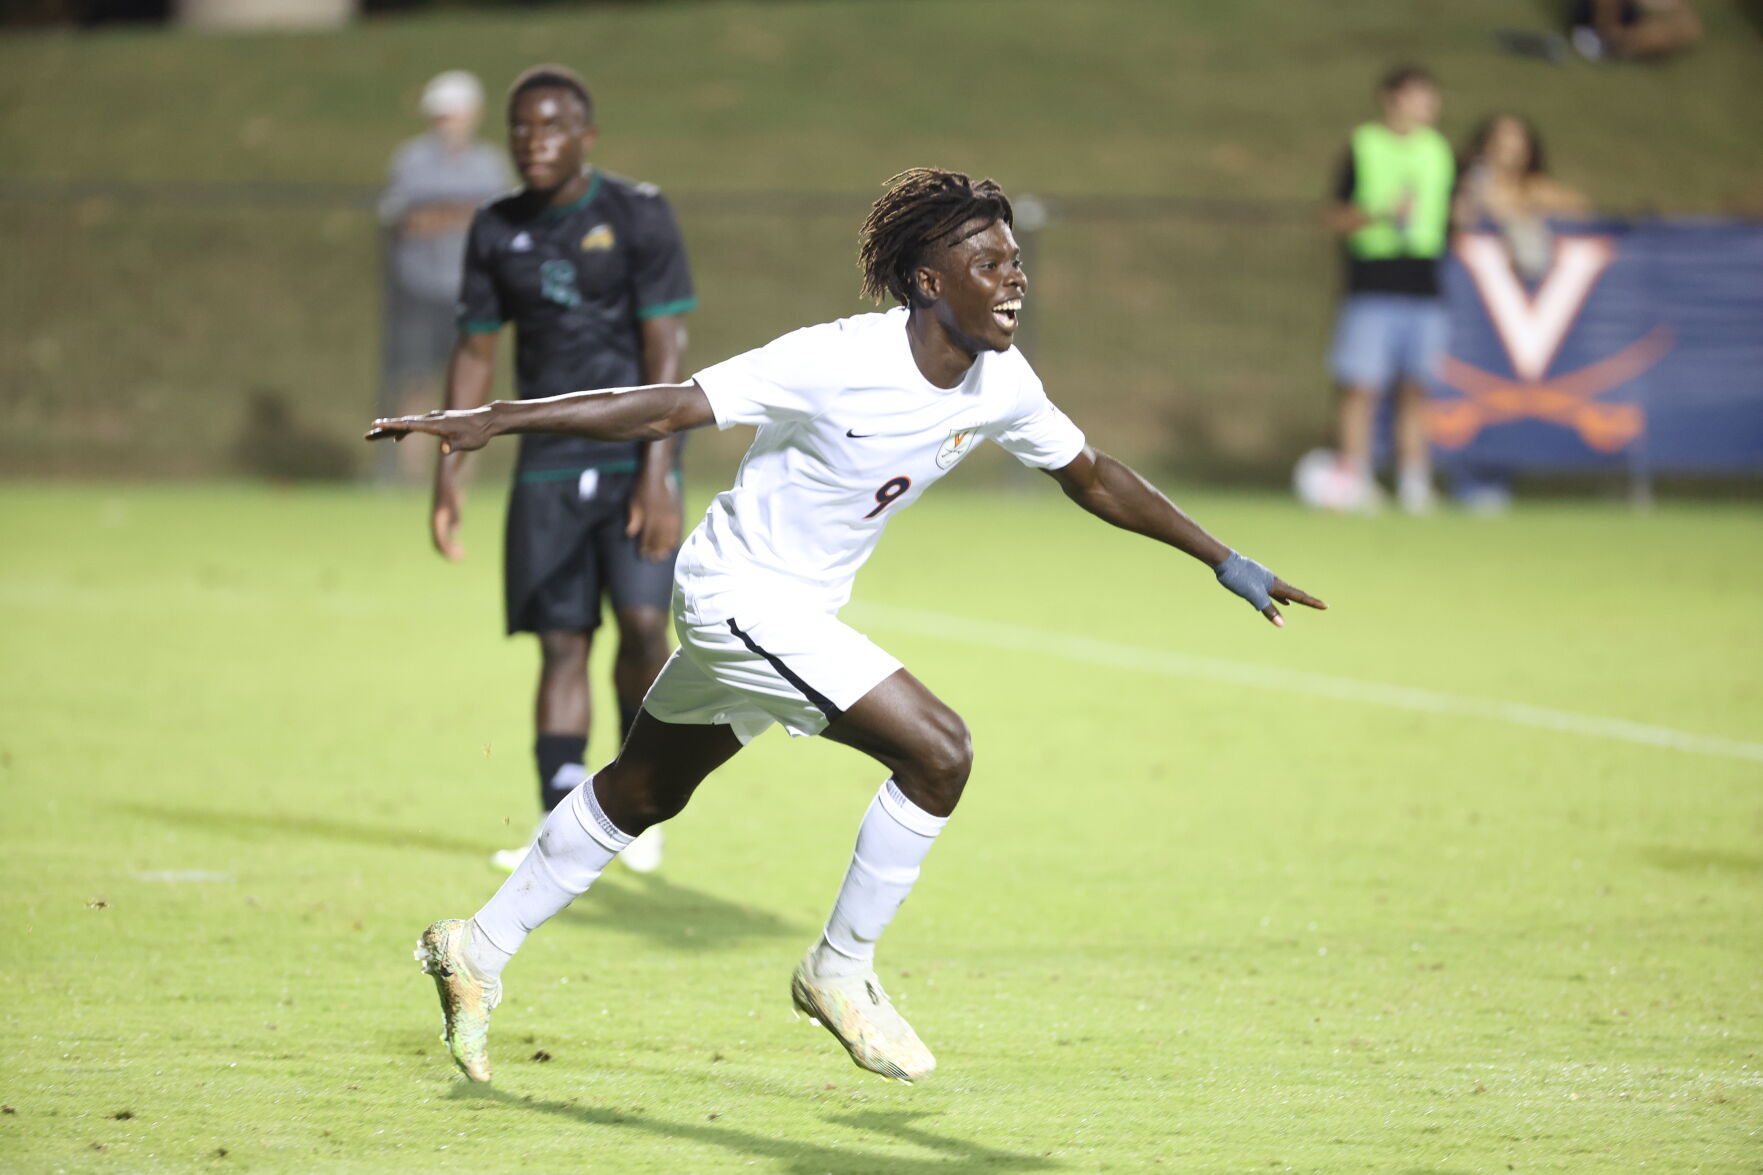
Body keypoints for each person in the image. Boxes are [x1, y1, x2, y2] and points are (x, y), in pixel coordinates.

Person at [369, 168, 1327, 1085]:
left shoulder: (1001, 379)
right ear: (928, 280)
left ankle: (475, 946)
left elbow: (1092, 474)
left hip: (787, 610)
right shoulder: (834, 358)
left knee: (644, 789)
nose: (1014, 278)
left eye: (1016, 261)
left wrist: (1223, 558)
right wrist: (495, 418)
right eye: (990, 263)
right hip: (737, 594)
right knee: (940, 751)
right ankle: (838, 967)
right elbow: (668, 406)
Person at [433, 64, 695, 876]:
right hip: (546, 463)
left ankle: (636, 802)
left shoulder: (638, 214)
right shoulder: (494, 226)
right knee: (560, 642)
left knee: (646, 626)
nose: (532, 143)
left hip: (632, 455)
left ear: (585, 135)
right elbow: (476, 352)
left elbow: (669, 353)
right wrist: (450, 477)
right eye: (520, 129)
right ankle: (558, 824)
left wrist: (659, 474)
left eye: (549, 128)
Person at [1320, 65, 1455, 515]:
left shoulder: (1439, 151)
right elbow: (1335, 217)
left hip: (1426, 285)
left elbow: (1450, 215)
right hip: (1372, 283)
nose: (1428, 106)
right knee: (1361, 386)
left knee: (1418, 387)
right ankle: (1355, 477)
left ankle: (1415, 481)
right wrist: (1380, 214)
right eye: (1418, 96)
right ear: (1390, 98)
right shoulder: (1364, 146)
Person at [376, 70, 510, 486]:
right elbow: (404, 220)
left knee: (468, 388)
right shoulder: (410, 161)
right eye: (440, 115)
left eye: (452, 114)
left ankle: (458, 476)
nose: (445, 123)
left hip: (471, 293)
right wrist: (462, 214)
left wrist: (443, 215)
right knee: (414, 381)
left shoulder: (490, 165)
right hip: (418, 288)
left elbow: (500, 225)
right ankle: (410, 477)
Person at [1454, 113, 1589, 282]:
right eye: (1500, 140)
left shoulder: (1535, 188)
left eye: (1516, 139)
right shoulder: (1472, 183)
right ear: (1486, 145)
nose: (1509, 145)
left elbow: (1579, 207)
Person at [1567, 0, 1702, 60]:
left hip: (1629, 15)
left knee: (1688, 27)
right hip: (1593, 9)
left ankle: (1614, 44)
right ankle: (1603, 36)